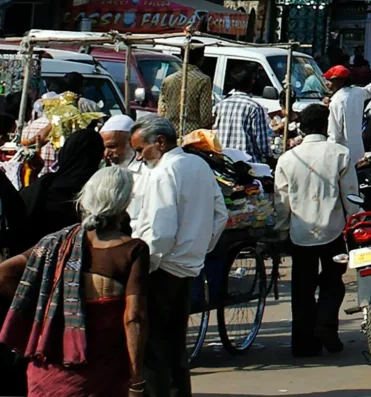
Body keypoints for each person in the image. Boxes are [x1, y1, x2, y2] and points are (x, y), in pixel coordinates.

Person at [0, 166, 150, 397]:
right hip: (101, 367)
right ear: (125, 202)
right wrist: (137, 380)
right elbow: (134, 318)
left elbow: (4, 273)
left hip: (49, 368)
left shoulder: (55, 242)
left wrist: (40, 310)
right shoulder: (133, 250)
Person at [130, 115, 223, 397]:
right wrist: (198, 249)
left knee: (154, 344)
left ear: (159, 143)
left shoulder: (163, 173)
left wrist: (147, 266)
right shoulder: (199, 165)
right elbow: (220, 216)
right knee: (174, 342)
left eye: (140, 149)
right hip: (186, 266)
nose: (138, 157)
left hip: (162, 267)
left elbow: (160, 232)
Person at [273, 103, 357, 358]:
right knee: (333, 281)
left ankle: (304, 344)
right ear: (325, 126)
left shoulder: (288, 158)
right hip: (334, 230)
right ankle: (325, 323)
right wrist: (354, 223)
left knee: (302, 288)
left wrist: (281, 230)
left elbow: (281, 200)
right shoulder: (340, 154)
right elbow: (351, 196)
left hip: (300, 233)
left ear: (302, 126)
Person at [211, 82, 271, 167]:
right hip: (248, 164)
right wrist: (269, 157)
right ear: (250, 84)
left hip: (223, 162)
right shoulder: (254, 107)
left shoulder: (219, 105)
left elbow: (213, 133)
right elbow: (262, 145)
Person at [154, 64, 211, 137]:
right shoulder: (204, 80)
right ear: (201, 59)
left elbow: (161, 112)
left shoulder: (168, 80)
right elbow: (205, 118)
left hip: (171, 132)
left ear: (181, 57)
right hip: (192, 136)